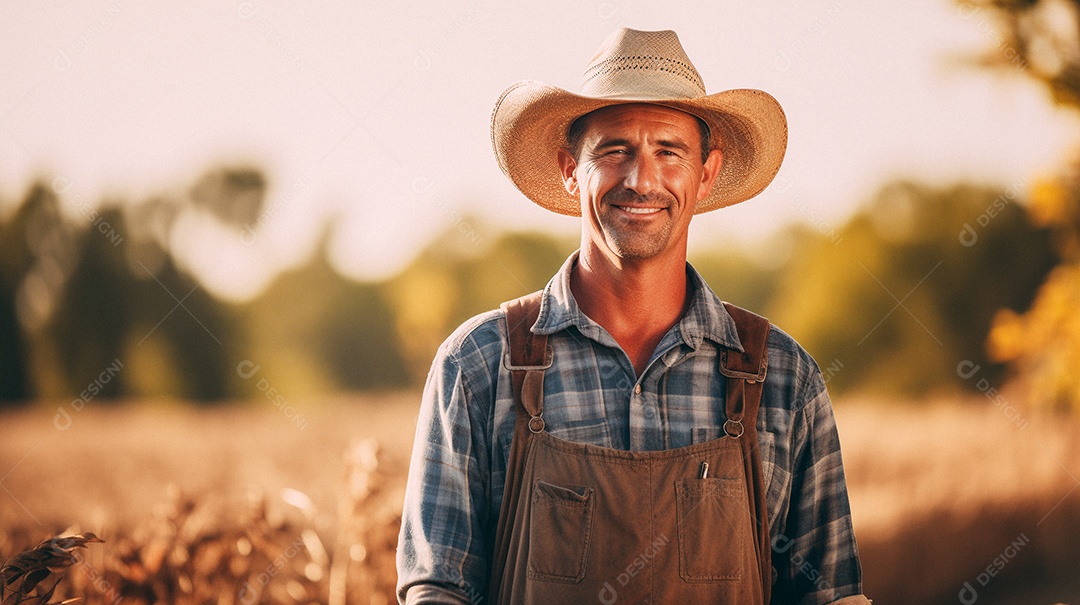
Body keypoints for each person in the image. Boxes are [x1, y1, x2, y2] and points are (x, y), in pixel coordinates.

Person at [397, 27, 871, 605]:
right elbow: (439, 590)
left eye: (668, 151)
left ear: (707, 172)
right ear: (571, 169)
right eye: (615, 149)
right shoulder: (478, 367)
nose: (641, 179)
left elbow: (830, 596)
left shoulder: (784, 379)